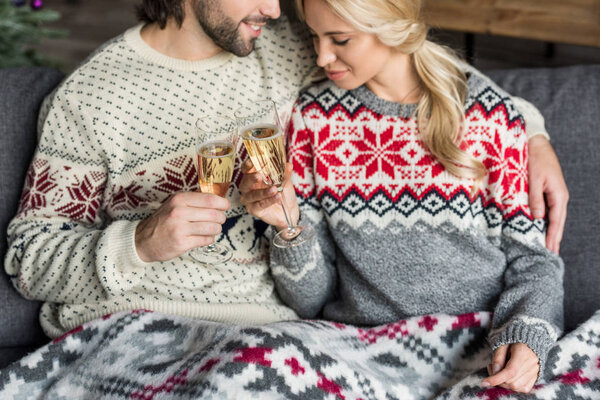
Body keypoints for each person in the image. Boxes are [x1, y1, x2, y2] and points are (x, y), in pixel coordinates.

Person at [5, 0, 564, 340]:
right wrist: (140, 243)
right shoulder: (92, 100)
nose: (275, 11)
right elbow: (29, 262)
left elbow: (403, 52)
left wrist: (530, 131)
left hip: (273, 334)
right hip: (133, 326)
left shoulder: (287, 50)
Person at [239, 0, 563, 394]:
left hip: (479, 349)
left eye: (340, 39)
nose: (322, 56)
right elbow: (310, 302)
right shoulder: (313, 119)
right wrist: (289, 228)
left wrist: (527, 338)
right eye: (314, 36)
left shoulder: (489, 116)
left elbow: (533, 260)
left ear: (392, 28)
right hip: (355, 350)